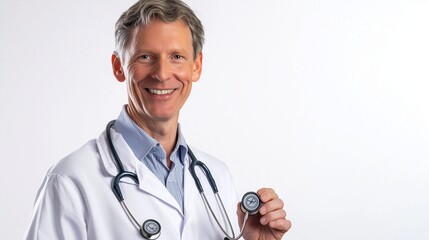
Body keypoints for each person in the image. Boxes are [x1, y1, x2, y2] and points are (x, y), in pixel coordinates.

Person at [23, 0, 291, 239]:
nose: (162, 74)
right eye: (145, 57)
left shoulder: (217, 178)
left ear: (196, 66)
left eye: (176, 57)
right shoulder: (71, 180)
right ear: (118, 67)